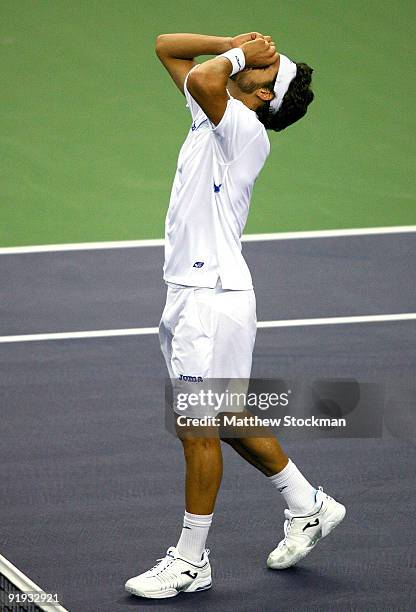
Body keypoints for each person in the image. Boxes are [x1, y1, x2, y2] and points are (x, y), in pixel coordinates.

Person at [125, 32, 345, 599]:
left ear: (264, 94)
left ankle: (191, 560)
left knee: (197, 428)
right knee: (219, 415)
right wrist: (228, 42)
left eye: (271, 65)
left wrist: (242, 55)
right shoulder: (214, 115)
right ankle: (307, 503)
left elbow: (200, 75)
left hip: (212, 297)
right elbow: (167, 48)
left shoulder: (243, 128)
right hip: (190, 292)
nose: (260, 55)